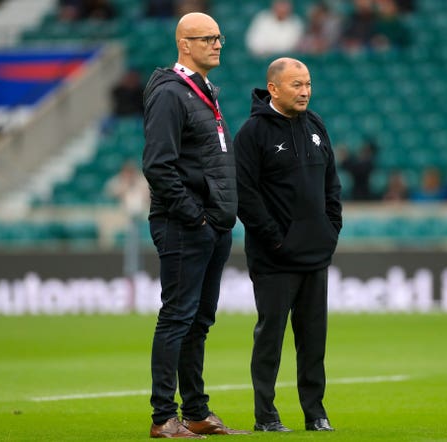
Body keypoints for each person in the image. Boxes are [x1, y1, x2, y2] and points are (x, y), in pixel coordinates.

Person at [141, 12, 249, 439]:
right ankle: (163, 416)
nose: (217, 44)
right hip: (186, 224)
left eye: (219, 37)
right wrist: (196, 217)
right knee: (177, 317)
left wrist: (216, 219)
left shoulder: (202, 91)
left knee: (199, 321)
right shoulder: (171, 93)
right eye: (207, 38)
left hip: (213, 224)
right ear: (184, 44)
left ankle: (197, 412)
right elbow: (158, 166)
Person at [234, 57, 342, 432]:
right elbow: (244, 196)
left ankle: (316, 413)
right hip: (275, 258)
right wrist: (276, 240)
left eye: (308, 83)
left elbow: (332, 185)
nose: (306, 91)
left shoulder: (316, 125)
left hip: (315, 254)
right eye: (297, 84)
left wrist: (331, 230)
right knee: (271, 337)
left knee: (313, 340)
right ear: (274, 88)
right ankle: (266, 415)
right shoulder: (252, 133)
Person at [104, 161, 150, 277]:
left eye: (131, 172)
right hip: (122, 218)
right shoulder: (118, 182)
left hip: (141, 218)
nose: (130, 175)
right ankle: (130, 269)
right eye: (127, 173)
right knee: (131, 233)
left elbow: (148, 197)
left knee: (135, 233)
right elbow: (110, 193)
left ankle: (135, 269)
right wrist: (125, 186)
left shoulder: (141, 182)